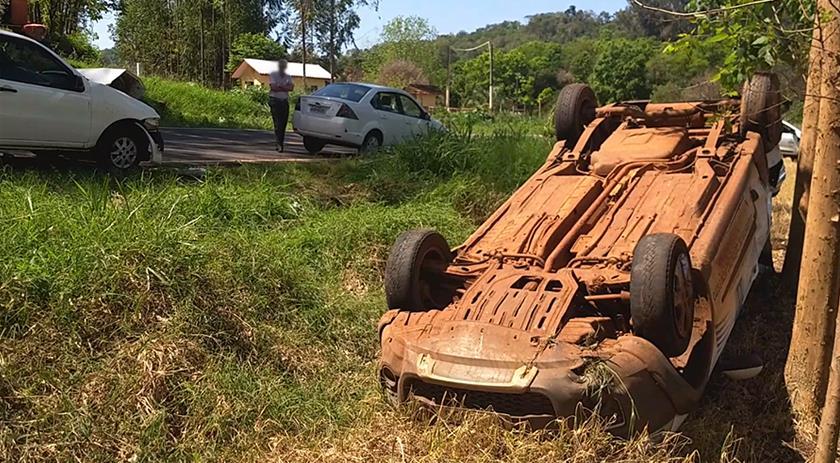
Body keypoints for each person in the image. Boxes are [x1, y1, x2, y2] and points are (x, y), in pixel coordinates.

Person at [269, 59, 294, 152]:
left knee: (283, 123)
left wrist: (280, 86)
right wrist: (285, 87)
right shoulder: (273, 74)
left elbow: (291, 87)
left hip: (284, 101)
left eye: (284, 65)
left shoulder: (288, 76)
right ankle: (279, 144)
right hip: (275, 101)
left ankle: (280, 142)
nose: (283, 67)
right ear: (279, 66)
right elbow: (273, 87)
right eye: (281, 65)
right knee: (277, 123)